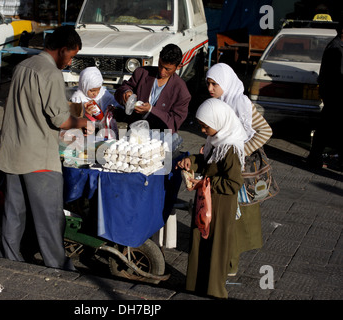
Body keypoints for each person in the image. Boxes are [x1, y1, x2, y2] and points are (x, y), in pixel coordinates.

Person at [0, 26, 87, 271]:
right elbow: (60, 120)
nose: (70, 62)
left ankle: (9, 260)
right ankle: (57, 265)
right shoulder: (50, 73)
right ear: (62, 49)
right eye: (71, 56)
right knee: (49, 219)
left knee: (14, 215)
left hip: (13, 152)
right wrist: (83, 122)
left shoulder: (23, 66)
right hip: (38, 158)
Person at [205, 62, 273, 276]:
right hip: (224, 167)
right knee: (226, 218)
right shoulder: (218, 103)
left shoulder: (240, 103)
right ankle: (225, 261)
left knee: (234, 219)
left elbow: (264, 131)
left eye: (215, 84)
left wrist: (239, 152)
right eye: (208, 83)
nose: (210, 89)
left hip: (238, 172)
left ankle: (229, 265)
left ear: (225, 83)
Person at [177, 98, 245, 299]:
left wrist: (206, 183)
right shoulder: (216, 140)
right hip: (207, 200)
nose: (203, 131)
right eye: (201, 126)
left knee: (215, 247)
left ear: (219, 123)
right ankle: (196, 287)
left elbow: (233, 183)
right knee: (200, 242)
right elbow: (208, 161)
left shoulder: (230, 147)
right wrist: (192, 162)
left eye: (206, 127)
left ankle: (214, 291)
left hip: (221, 204)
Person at [114, 43, 191, 133]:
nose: (162, 71)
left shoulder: (182, 92)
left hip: (161, 137)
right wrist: (126, 93)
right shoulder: (142, 73)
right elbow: (123, 88)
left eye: (167, 69)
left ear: (178, 67)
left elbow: (174, 123)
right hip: (134, 133)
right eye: (160, 65)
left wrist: (150, 110)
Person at [306, 20, 343, 170]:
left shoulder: (337, 46)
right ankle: (315, 158)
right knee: (326, 128)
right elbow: (337, 76)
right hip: (335, 95)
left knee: (328, 128)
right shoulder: (336, 48)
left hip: (333, 95)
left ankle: (316, 157)